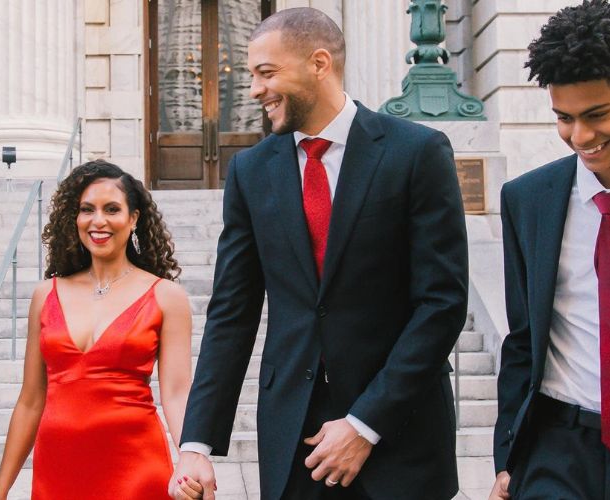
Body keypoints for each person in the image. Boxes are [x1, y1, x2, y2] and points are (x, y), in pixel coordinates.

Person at [170, 7, 468, 500]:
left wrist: (366, 423)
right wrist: (197, 442)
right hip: (294, 439)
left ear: (319, 63)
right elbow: (232, 312)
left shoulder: (417, 153)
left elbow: (442, 303)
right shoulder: (250, 172)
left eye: (267, 73)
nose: (254, 90)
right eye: (252, 75)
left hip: (402, 434)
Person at [0, 160, 199, 499]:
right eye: (87, 209)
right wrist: (0, 489)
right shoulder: (46, 295)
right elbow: (30, 401)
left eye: (112, 209)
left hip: (135, 466)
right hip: (58, 468)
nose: (98, 221)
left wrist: (191, 460)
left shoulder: (166, 296)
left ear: (133, 219)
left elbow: (177, 394)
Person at [490, 1, 610, 498]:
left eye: (597, 115)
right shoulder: (528, 200)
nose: (580, 136)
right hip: (558, 449)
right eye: (564, 118)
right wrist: (508, 458)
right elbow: (522, 339)